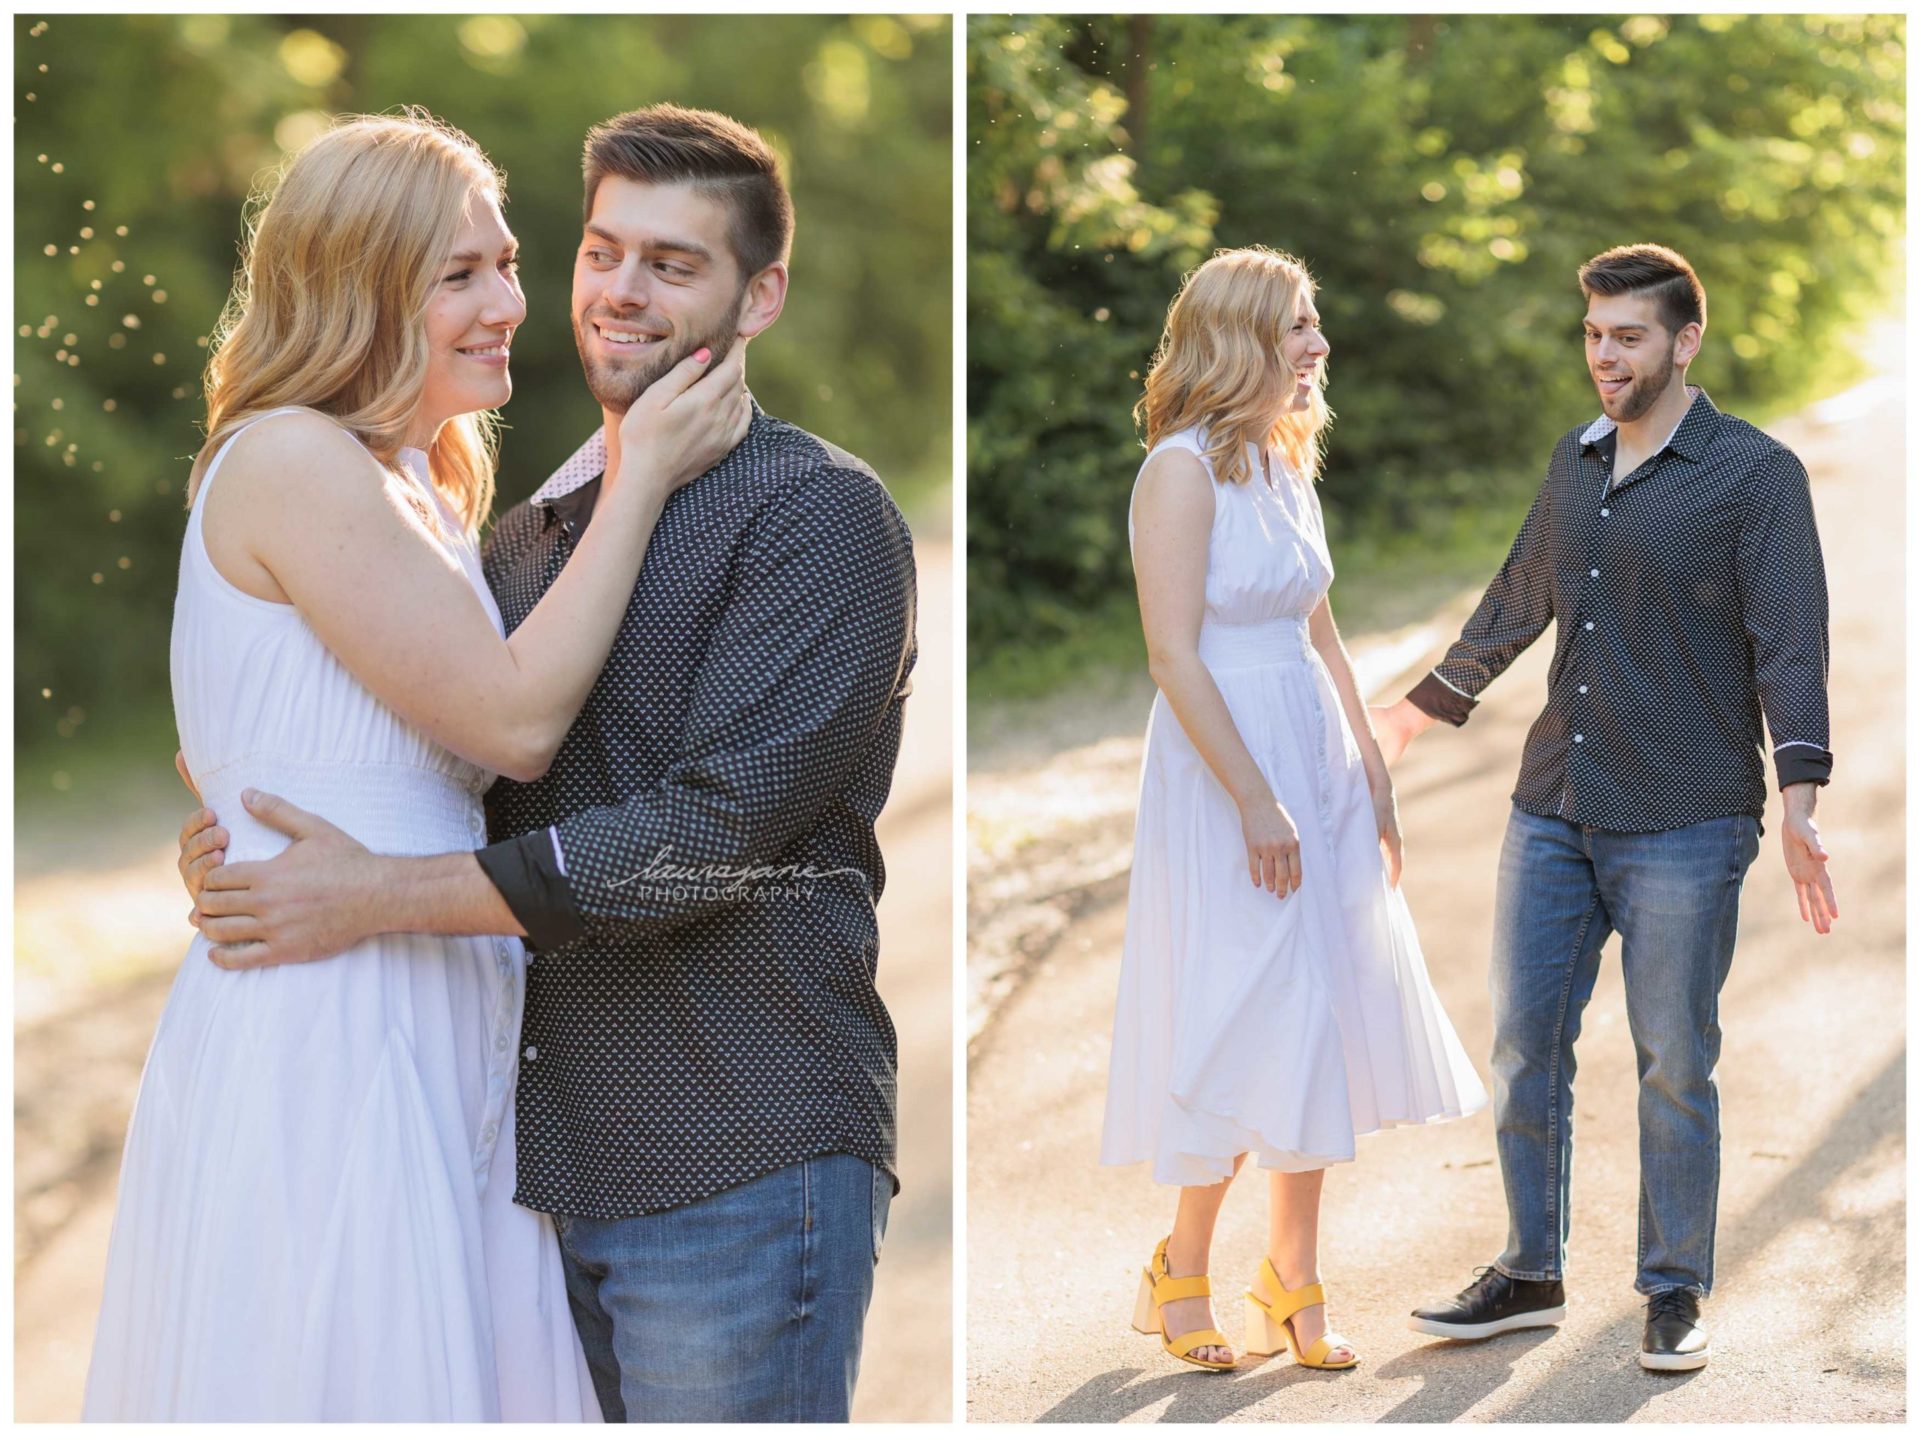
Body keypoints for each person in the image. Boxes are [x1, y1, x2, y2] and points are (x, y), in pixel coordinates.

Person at [174, 105, 917, 1422]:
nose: (612, 290)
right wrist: (245, 828)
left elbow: (710, 829)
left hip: (732, 1146)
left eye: (674, 264)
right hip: (525, 1154)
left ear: (763, 295)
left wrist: (373, 889)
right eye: (599, 251)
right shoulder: (513, 543)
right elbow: (446, 752)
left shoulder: (819, 516)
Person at [84, 112, 747, 1420]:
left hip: (429, 997)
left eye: (504, 262)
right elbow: (510, 722)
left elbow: (321, 735)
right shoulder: (289, 458)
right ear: (355, 287)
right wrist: (642, 472)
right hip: (330, 1026)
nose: (507, 299)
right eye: (458, 275)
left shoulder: (408, 479)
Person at [1376, 244, 1835, 1373]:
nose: (1604, 357)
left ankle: (1673, 1291)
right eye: (1593, 336)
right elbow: (1519, 593)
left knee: (1674, 1058)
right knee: (1525, 1046)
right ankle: (1530, 1267)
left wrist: (1801, 800)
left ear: (1686, 341)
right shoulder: (1574, 461)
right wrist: (1417, 711)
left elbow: (1791, 645)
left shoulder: (1754, 473)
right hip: (1555, 808)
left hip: (1687, 815)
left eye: (1627, 336)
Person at [1100, 246, 1487, 1374]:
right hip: (1226, 765)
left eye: (1316, 325)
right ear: (1237, 342)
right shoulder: (1176, 472)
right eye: (1297, 328)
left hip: (1310, 746)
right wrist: (1256, 800)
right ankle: (1181, 1268)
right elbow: (1173, 657)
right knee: (1241, 1004)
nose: (1319, 345)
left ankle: (1293, 1280)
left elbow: (1320, 623)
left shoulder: (1282, 461)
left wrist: (1369, 768)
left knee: (1318, 1003)